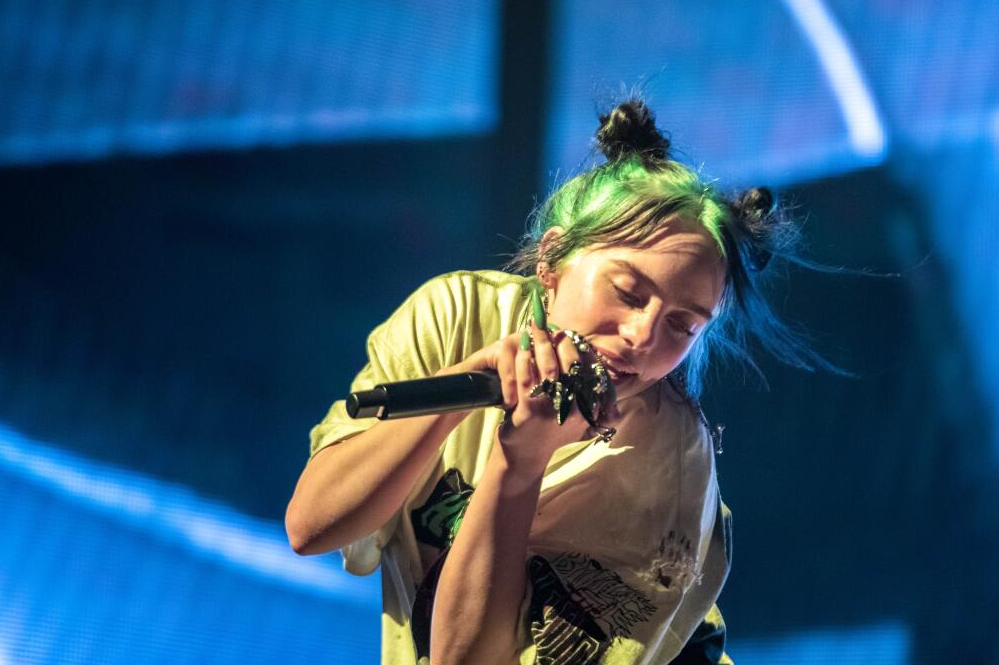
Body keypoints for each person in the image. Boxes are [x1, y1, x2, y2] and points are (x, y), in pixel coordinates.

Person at [285, 99, 820, 664]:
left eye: (681, 325)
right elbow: (311, 527)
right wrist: (456, 392)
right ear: (552, 259)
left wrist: (520, 467)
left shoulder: (669, 464)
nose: (641, 337)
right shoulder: (456, 314)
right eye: (628, 293)